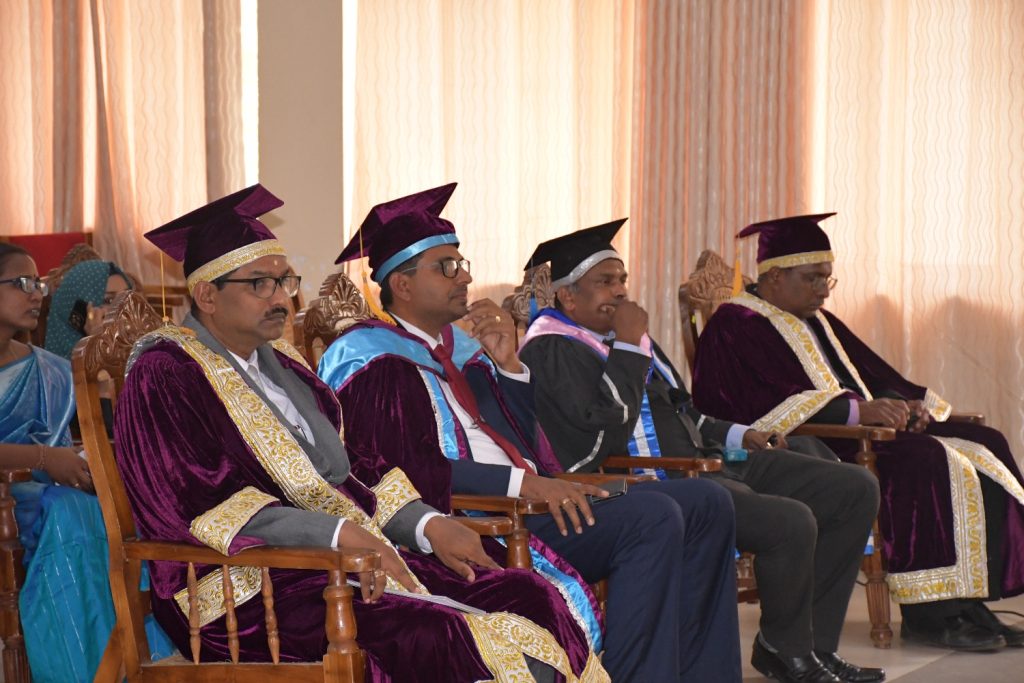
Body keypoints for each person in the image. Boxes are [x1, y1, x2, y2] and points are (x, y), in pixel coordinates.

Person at [115, 184, 607, 683]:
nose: (282, 298)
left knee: (527, 595)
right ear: (206, 295)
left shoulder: (283, 363)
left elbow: (355, 466)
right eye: (261, 284)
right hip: (246, 585)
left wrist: (427, 524)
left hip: (339, 563)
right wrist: (338, 534)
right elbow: (200, 502)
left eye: (285, 281)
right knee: (439, 634)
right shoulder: (166, 371)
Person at [318, 183, 742, 683]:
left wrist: (510, 366)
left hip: (529, 500)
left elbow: (525, 443)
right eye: (447, 267)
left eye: (462, 263)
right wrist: (526, 485)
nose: (465, 276)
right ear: (403, 285)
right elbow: (401, 470)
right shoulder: (371, 359)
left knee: (707, 501)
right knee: (651, 518)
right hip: (478, 517)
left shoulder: (463, 349)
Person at [517, 220, 884, 683]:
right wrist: (628, 348)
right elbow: (591, 440)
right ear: (568, 298)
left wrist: (739, 435)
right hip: (662, 477)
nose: (621, 291)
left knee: (853, 487)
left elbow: (683, 411)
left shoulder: (625, 337)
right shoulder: (552, 347)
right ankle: (788, 652)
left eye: (622, 279)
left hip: (709, 458)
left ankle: (814, 647)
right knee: (789, 521)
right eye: (605, 282)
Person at [692, 212, 1024, 653]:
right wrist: (860, 412)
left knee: (987, 441)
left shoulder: (817, 319)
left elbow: (869, 375)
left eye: (827, 278)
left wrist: (901, 405)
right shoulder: (735, 325)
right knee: (925, 460)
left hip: (856, 431)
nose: (823, 290)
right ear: (774, 276)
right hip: (816, 446)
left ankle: (970, 603)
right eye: (812, 278)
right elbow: (749, 405)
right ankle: (931, 615)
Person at [0, 243, 172, 682]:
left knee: (119, 508)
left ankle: (137, 662)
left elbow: (65, 443)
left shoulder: (50, 369)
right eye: (21, 283)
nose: (36, 293)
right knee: (66, 511)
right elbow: (48, 453)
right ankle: (83, 667)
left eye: (37, 284)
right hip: (17, 501)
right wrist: (44, 458)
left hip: (40, 494)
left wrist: (79, 464)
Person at [44, 259, 133, 359]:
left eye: (126, 297)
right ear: (78, 312)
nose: (123, 307)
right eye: (109, 300)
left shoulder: (137, 347)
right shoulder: (51, 366)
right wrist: (96, 340)